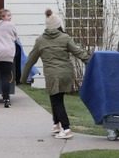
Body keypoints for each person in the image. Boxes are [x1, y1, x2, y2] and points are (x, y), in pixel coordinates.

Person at [20, 9, 90, 139]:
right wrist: (91, 62)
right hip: (66, 73)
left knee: (57, 102)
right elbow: (79, 52)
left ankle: (67, 129)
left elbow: (30, 60)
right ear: (58, 25)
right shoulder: (65, 38)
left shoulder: (40, 40)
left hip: (52, 74)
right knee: (55, 99)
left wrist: (23, 78)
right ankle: (56, 125)